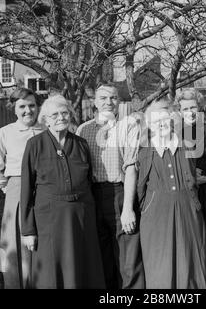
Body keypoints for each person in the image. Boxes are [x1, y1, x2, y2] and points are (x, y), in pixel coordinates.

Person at [20, 95, 105, 289]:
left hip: (81, 218)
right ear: (46, 119)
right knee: (51, 274)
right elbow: (26, 189)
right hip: (49, 220)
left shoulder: (81, 144)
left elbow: (89, 182)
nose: (61, 117)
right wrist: (28, 230)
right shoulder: (34, 145)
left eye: (65, 113)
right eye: (55, 114)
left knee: (84, 270)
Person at [137, 97, 206, 289]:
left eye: (165, 119)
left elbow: (193, 176)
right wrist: (147, 207)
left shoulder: (187, 145)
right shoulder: (143, 151)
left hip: (187, 209)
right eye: (156, 121)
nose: (161, 124)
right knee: (160, 262)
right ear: (149, 125)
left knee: (191, 257)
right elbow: (140, 188)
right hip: (156, 214)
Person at [76, 84, 144, 289]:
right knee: (101, 257)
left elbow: (131, 167)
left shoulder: (129, 126)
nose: (108, 102)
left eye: (113, 98)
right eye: (103, 98)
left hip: (120, 192)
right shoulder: (83, 130)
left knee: (127, 258)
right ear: (95, 102)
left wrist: (128, 208)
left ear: (119, 102)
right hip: (92, 195)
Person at [177, 88, 206, 288]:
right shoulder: (172, 131)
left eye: (193, 107)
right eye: (185, 108)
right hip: (181, 191)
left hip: (205, 190)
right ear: (179, 111)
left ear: (200, 108)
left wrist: (205, 178)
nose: (189, 112)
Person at [0, 88, 44, 289]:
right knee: (16, 248)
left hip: (45, 191)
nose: (28, 110)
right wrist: (11, 189)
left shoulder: (47, 130)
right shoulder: (4, 133)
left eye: (32, 105)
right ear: (14, 108)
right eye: (22, 106)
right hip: (16, 192)